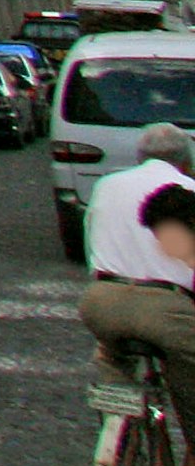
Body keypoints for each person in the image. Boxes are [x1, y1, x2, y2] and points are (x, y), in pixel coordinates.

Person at [84, 126, 195, 378]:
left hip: (101, 301)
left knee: (112, 353)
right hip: (165, 308)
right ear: (186, 161)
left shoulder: (106, 185)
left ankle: (114, 409)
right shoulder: (189, 190)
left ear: (139, 157)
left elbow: (91, 245)